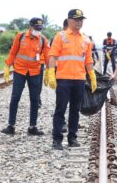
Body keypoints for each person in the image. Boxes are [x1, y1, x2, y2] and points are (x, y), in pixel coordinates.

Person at [47, 9, 96, 150]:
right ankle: (57, 139)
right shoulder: (60, 36)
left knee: (75, 110)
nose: (79, 22)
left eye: (81, 20)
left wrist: (92, 76)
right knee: (60, 109)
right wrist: (51, 72)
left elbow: (88, 60)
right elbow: (53, 56)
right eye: (76, 19)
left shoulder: (86, 40)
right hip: (63, 79)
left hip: (79, 80)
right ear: (69, 21)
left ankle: (72, 138)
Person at [2, 17, 50, 135]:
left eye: (39, 28)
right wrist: (8, 66)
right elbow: (13, 52)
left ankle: (32, 127)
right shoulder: (20, 36)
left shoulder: (43, 40)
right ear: (30, 26)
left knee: (35, 99)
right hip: (20, 71)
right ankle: (11, 126)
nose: (37, 30)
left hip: (35, 72)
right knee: (15, 97)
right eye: (35, 28)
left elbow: (48, 56)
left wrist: (49, 71)